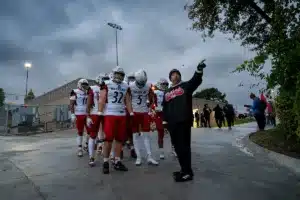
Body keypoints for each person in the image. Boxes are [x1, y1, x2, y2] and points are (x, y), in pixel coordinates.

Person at [163, 59, 207, 182]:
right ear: (170, 78)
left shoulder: (185, 86)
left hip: (183, 120)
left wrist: (199, 70)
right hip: (172, 123)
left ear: (179, 76)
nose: (175, 75)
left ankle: (188, 172)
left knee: (184, 147)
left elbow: (195, 81)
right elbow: (165, 107)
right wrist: (165, 121)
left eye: (177, 73)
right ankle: (183, 169)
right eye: (172, 74)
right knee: (177, 148)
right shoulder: (167, 92)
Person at [98, 67, 133, 174]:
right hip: (110, 114)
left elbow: (127, 100)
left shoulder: (125, 86)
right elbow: (102, 98)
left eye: (121, 75)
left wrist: (131, 112)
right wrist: (99, 111)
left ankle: (117, 161)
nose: (119, 76)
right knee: (108, 139)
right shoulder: (107, 84)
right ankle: (105, 162)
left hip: (121, 114)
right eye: (117, 74)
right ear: (113, 74)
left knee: (119, 139)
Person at [130, 69, 159, 166]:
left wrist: (150, 107)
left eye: (143, 83)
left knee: (146, 135)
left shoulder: (148, 86)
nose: (142, 85)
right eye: (140, 83)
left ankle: (149, 157)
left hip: (144, 112)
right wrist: (130, 111)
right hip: (134, 112)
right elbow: (126, 100)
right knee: (135, 135)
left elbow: (152, 99)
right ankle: (138, 157)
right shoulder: (130, 86)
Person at [69, 79, 91, 157]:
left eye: (86, 84)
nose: (84, 86)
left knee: (90, 131)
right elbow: (71, 104)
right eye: (83, 84)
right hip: (79, 114)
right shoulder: (74, 91)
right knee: (80, 132)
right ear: (79, 84)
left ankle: (86, 145)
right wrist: (72, 114)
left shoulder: (88, 91)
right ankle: (79, 148)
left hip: (87, 114)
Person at [153, 78, 169, 159]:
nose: (165, 86)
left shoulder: (169, 92)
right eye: (163, 84)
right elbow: (152, 103)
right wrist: (155, 108)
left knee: (173, 133)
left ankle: (174, 149)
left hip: (168, 114)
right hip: (159, 114)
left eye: (166, 84)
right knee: (160, 134)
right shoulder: (155, 92)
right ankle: (161, 151)